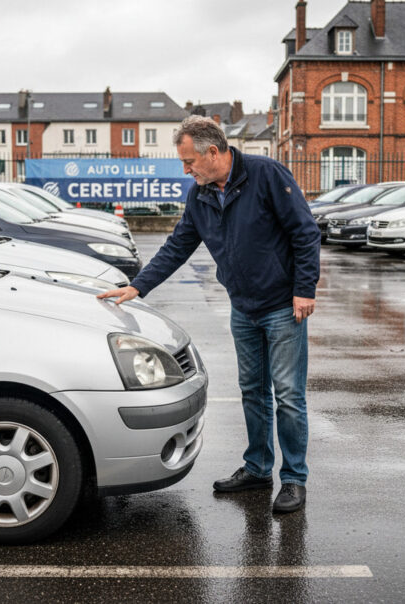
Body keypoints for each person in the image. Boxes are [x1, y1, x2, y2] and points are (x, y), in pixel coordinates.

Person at [96, 115, 320, 513]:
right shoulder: (199, 194)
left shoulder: (266, 175)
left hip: (284, 306)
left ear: (212, 152)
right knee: (252, 391)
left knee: (287, 395)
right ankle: (257, 468)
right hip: (244, 307)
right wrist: (138, 285)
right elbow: (179, 243)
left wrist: (304, 289)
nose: (185, 170)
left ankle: (293, 479)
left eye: (189, 162)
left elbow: (304, 232)